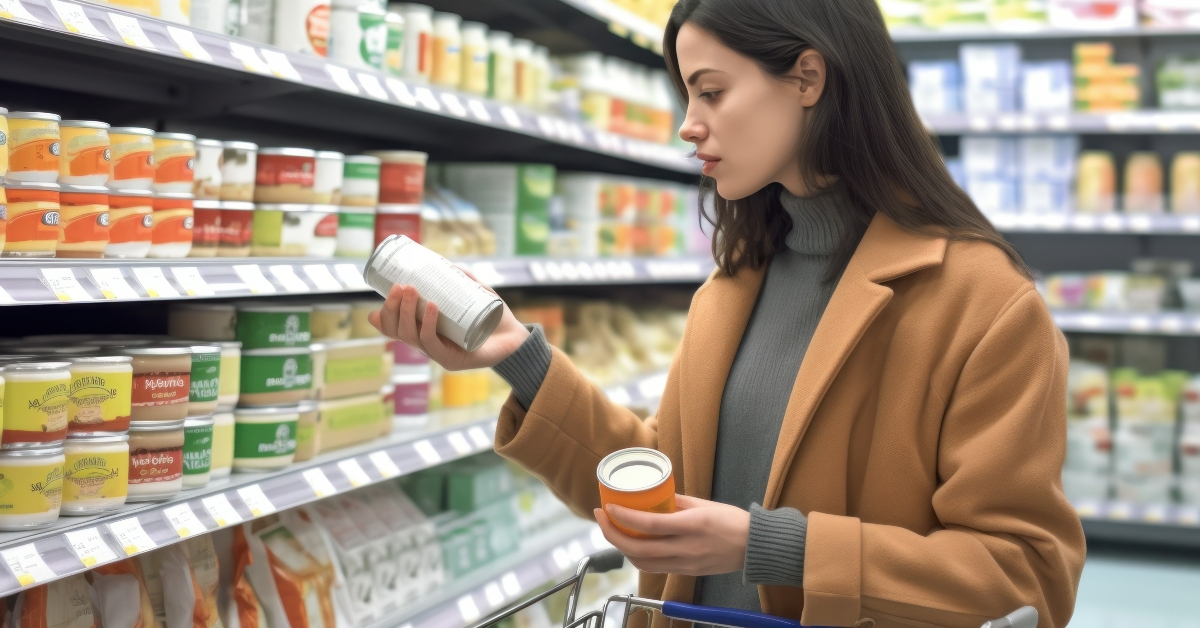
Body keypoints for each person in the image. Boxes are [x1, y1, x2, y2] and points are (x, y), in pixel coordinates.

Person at [369, 0, 1086, 625]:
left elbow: (1027, 574)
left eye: (711, 92)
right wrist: (515, 355)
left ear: (808, 78)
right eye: (687, 96)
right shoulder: (735, 283)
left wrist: (772, 547)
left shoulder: (984, 304)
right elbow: (665, 495)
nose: (688, 125)